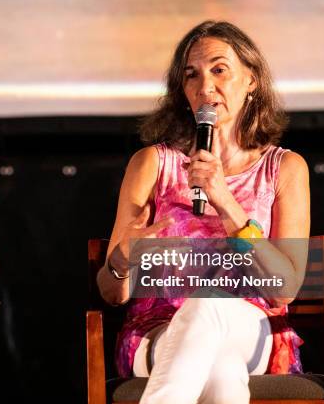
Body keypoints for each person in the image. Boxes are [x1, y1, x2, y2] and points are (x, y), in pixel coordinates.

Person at [96, 21, 310, 404]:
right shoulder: (152, 164)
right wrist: (121, 261)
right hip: (157, 334)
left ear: (252, 80)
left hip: (253, 331)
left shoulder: (284, 169)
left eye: (219, 70)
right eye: (191, 75)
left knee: (210, 302)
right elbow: (112, 294)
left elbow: (284, 290)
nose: (205, 87)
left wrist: (223, 199)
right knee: (223, 374)